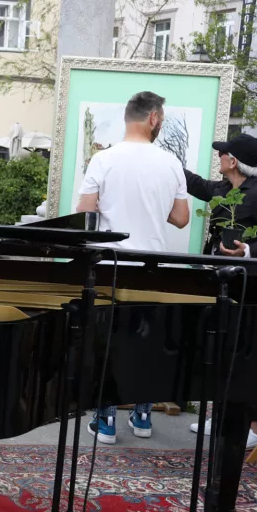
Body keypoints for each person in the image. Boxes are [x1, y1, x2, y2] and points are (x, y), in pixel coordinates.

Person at [76, 90, 190, 444]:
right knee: (146, 342)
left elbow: (84, 214)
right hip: (152, 264)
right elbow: (182, 218)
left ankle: (107, 420)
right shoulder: (170, 162)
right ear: (153, 117)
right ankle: (142, 417)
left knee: (109, 340)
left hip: (112, 263)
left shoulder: (103, 160)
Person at [185, 133, 257, 450]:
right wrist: (156, 157)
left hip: (256, 288)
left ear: (233, 161)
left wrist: (249, 249)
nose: (218, 156)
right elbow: (195, 184)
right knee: (222, 349)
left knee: (250, 355)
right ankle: (222, 417)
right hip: (224, 284)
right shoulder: (222, 189)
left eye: (223, 153)